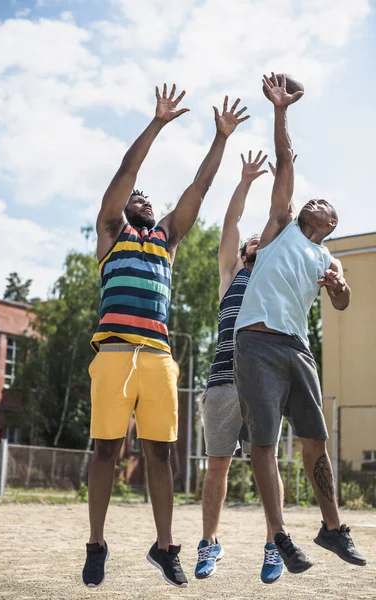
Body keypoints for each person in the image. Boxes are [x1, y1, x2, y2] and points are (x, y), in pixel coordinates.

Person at [82, 83, 250, 589]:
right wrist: (156, 123)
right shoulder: (112, 234)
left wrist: (219, 138)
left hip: (157, 358)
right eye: (139, 197)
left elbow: (198, 189)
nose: (144, 196)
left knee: (161, 454)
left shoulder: (167, 241)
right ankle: (96, 544)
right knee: (105, 452)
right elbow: (125, 175)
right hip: (113, 354)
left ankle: (163, 546)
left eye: (148, 197)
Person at [234, 73, 366, 574]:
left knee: (316, 439)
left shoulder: (326, 255)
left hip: (298, 350)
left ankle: (332, 528)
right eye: (313, 200)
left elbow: (343, 303)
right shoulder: (282, 226)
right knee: (264, 443)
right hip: (258, 344)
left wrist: (340, 288)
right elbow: (285, 161)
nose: (315, 202)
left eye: (325, 206)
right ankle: (282, 537)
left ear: (332, 223)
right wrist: (281, 109)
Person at [194, 150, 285, 584]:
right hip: (222, 382)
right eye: (252, 240)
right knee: (216, 465)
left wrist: (284, 170)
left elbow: (282, 215)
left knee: (267, 464)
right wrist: (246, 180)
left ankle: (275, 545)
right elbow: (230, 223)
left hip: (263, 382)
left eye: (260, 240)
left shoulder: (272, 275)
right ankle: (209, 543)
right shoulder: (230, 274)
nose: (255, 240)